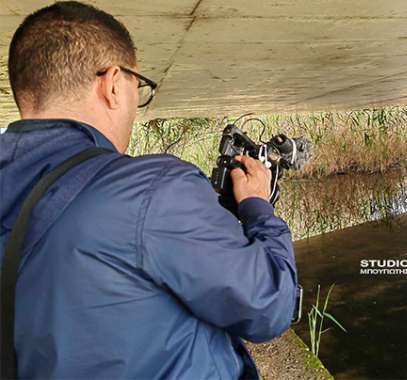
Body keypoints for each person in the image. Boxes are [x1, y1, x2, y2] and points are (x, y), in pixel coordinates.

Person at [0, 2, 298, 379]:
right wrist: (257, 207)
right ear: (111, 84)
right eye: (137, 87)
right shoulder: (150, 190)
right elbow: (269, 306)